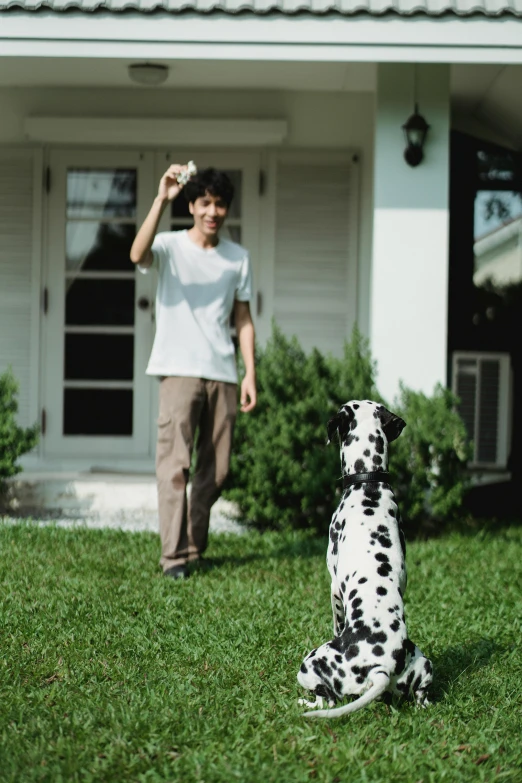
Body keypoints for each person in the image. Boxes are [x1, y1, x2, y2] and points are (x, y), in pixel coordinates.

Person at [130, 164, 257, 579]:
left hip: (221, 370)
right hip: (178, 368)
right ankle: (174, 558)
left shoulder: (237, 258)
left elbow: (243, 318)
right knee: (174, 465)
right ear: (191, 205)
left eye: (220, 204)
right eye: (205, 202)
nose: (213, 211)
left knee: (217, 470)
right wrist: (159, 198)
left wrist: (249, 372)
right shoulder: (168, 246)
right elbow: (136, 254)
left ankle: (192, 545)